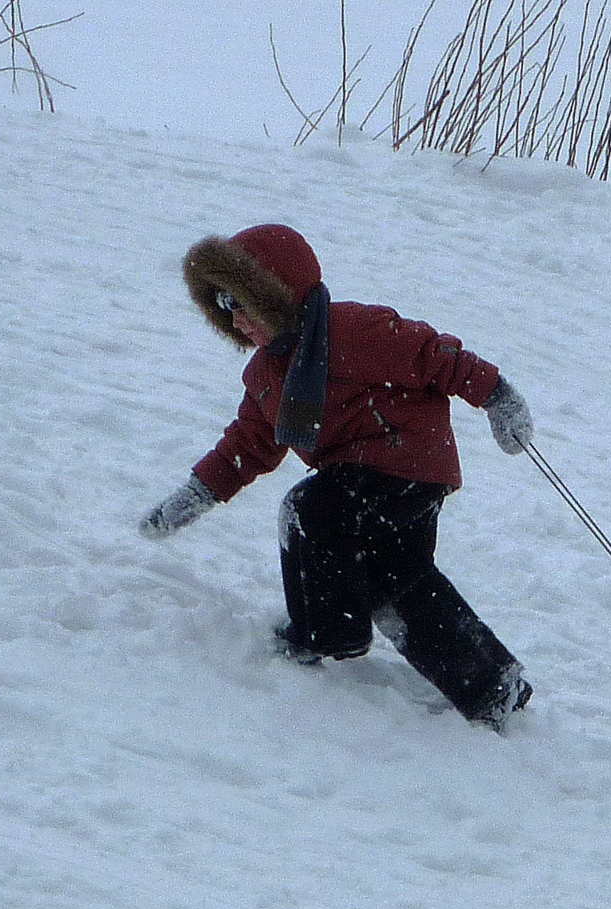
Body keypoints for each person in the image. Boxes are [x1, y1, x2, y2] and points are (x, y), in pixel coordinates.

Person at [139, 223, 535, 731]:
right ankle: (491, 687)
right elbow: (248, 445)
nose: (236, 319)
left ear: (277, 294)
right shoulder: (265, 376)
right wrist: (191, 497)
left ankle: (326, 633)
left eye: (243, 302)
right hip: (371, 477)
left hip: (406, 461)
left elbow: (436, 356)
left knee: (309, 510)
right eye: (225, 306)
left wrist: (498, 397)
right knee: (394, 579)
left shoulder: (354, 331)